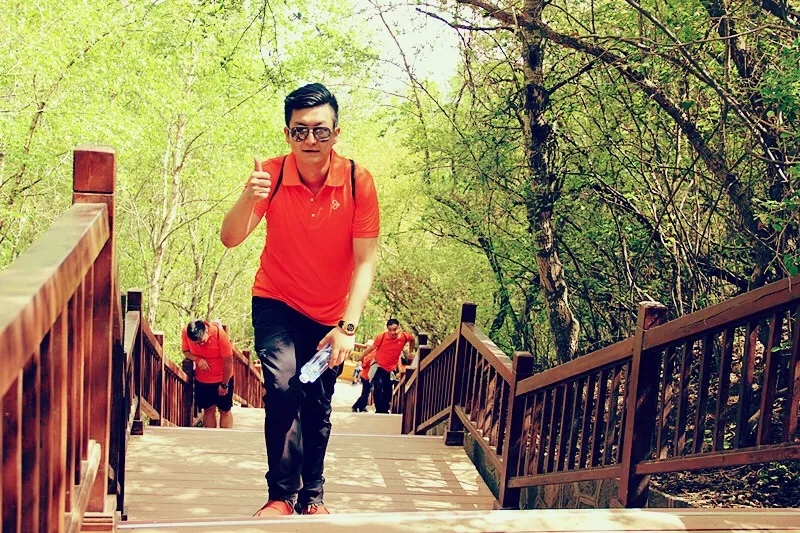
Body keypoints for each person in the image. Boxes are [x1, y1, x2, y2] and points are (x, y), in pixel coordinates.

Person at [219, 83, 380, 517]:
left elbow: (365, 261)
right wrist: (248, 197)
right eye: (300, 130)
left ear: (336, 133)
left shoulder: (357, 181)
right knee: (282, 386)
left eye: (320, 130)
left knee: (316, 401)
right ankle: (280, 496)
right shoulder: (269, 176)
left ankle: (313, 496)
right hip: (276, 300)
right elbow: (230, 238)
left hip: (330, 316)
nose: (311, 139)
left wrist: (348, 328)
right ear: (287, 133)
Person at [181, 320, 235, 429]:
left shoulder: (219, 335)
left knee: (224, 410)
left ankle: (226, 437)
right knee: (208, 410)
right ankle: (212, 437)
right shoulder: (186, 332)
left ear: (206, 330)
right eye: (195, 343)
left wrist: (224, 384)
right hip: (203, 379)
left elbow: (229, 362)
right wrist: (197, 359)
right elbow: (186, 351)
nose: (199, 344)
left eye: (201, 341)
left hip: (222, 378)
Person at [356, 319, 415, 414]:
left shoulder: (404, 336)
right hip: (378, 365)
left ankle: (385, 409)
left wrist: (411, 352)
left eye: (395, 329)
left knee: (388, 389)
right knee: (378, 387)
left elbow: (412, 339)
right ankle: (379, 410)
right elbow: (370, 349)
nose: (392, 332)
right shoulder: (382, 337)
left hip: (390, 368)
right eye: (390, 330)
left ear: (399, 328)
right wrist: (360, 358)